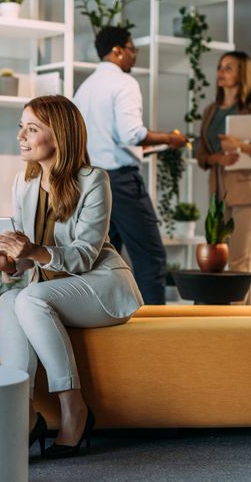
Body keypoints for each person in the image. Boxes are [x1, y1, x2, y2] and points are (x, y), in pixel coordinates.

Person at [0, 95, 143, 459]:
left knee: (30, 298)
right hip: (51, 291)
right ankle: (23, 415)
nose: (21, 136)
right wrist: (9, 263)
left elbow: (85, 256)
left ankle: (75, 408)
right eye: (20, 127)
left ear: (60, 135)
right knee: (9, 299)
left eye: (32, 128)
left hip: (101, 285)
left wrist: (32, 252)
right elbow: (29, 259)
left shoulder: (93, 181)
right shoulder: (23, 185)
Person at [73, 25, 188, 305]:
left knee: (98, 259)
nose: (134, 56)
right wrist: (170, 139)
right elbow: (131, 134)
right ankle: (155, 332)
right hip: (120, 183)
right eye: (132, 49)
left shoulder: (84, 88)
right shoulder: (124, 83)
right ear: (118, 51)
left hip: (88, 181)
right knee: (151, 257)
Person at [195, 51, 251, 304]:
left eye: (228, 68)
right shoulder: (211, 111)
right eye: (220, 67)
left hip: (248, 193)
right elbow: (202, 154)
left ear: (242, 74)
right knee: (218, 262)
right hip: (219, 194)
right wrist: (217, 159)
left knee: (240, 263)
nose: (221, 72)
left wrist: (240, 146)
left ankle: (241, 321)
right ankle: (229, 317)